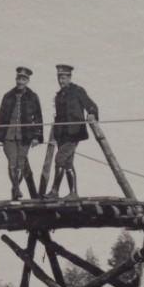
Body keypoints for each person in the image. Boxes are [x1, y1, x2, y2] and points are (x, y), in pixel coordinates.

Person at [0, 66, 43, 200]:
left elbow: (39, 118)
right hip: (8, 136)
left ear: (27, 81)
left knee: (21, 163)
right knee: (12, 162)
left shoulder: (33, 97)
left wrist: (37, 137)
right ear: (16, 79)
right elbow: (0, 116)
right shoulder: (8, 96)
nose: (20, 82)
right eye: (19, 78)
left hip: (25, 136)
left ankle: (15, 190)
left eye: (23, 79)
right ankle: (17, 189)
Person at [51, 63, 98, 199]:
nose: (61, 81)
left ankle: (54, 191)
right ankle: (73, 193)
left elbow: (91, 105)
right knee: (67, 163)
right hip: (61, 134)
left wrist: (92, 113)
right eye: (59, 78)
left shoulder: (77, 91)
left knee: (60, 158)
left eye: (64, 78)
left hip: (74, 133)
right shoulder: (59, 95)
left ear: (70, 78)